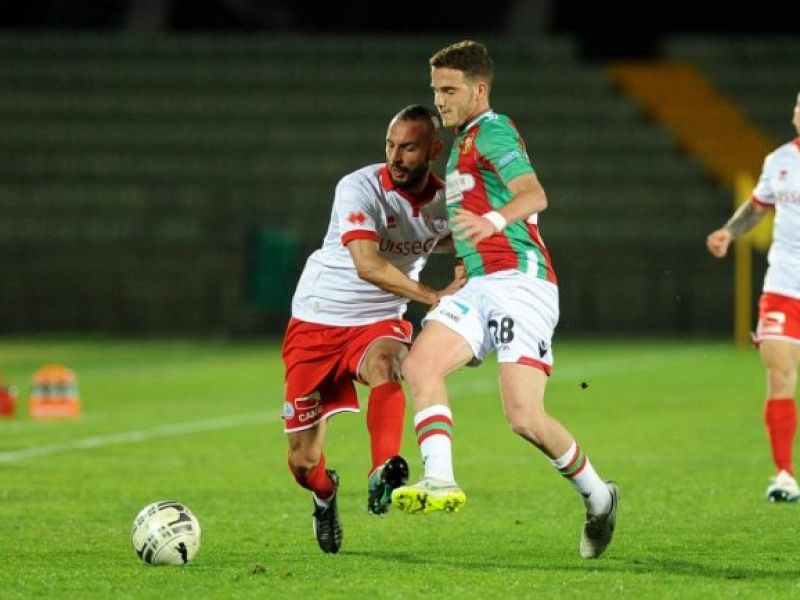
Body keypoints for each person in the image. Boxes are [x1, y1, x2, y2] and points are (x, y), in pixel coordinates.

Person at [390, 40, 619, 560]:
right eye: (435, 90)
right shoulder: (463, 146)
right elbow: (472, 224)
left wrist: (492, 222)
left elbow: (534, 194)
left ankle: (600, 497)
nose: (440, 100)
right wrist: (459, 263)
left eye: (449, 90)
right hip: (479, 284)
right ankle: (441, 481)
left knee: (523, 417)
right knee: (419, 364)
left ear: (480, 89)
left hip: (522, 282)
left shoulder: (494, 129)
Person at [282, 104, 464, 554]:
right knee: (303, 462)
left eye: (409, 147)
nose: (396, 157)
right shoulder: (358, 187)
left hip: (379, 319)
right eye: (390, 145)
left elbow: (453, 236)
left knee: (390, 365)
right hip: (317, 318)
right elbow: (367, 264)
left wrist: (471, 266)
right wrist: (432, 296)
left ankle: (382, 470)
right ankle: (326, 495)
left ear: (433, 150)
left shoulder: (445, 202)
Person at [706, 91, 800, 503]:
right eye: (797, 104)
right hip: (784, 285)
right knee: (779, 375)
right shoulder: (779, 161)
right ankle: (784, 473)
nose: (797, 111)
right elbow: (759, 206)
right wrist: (730, 231)